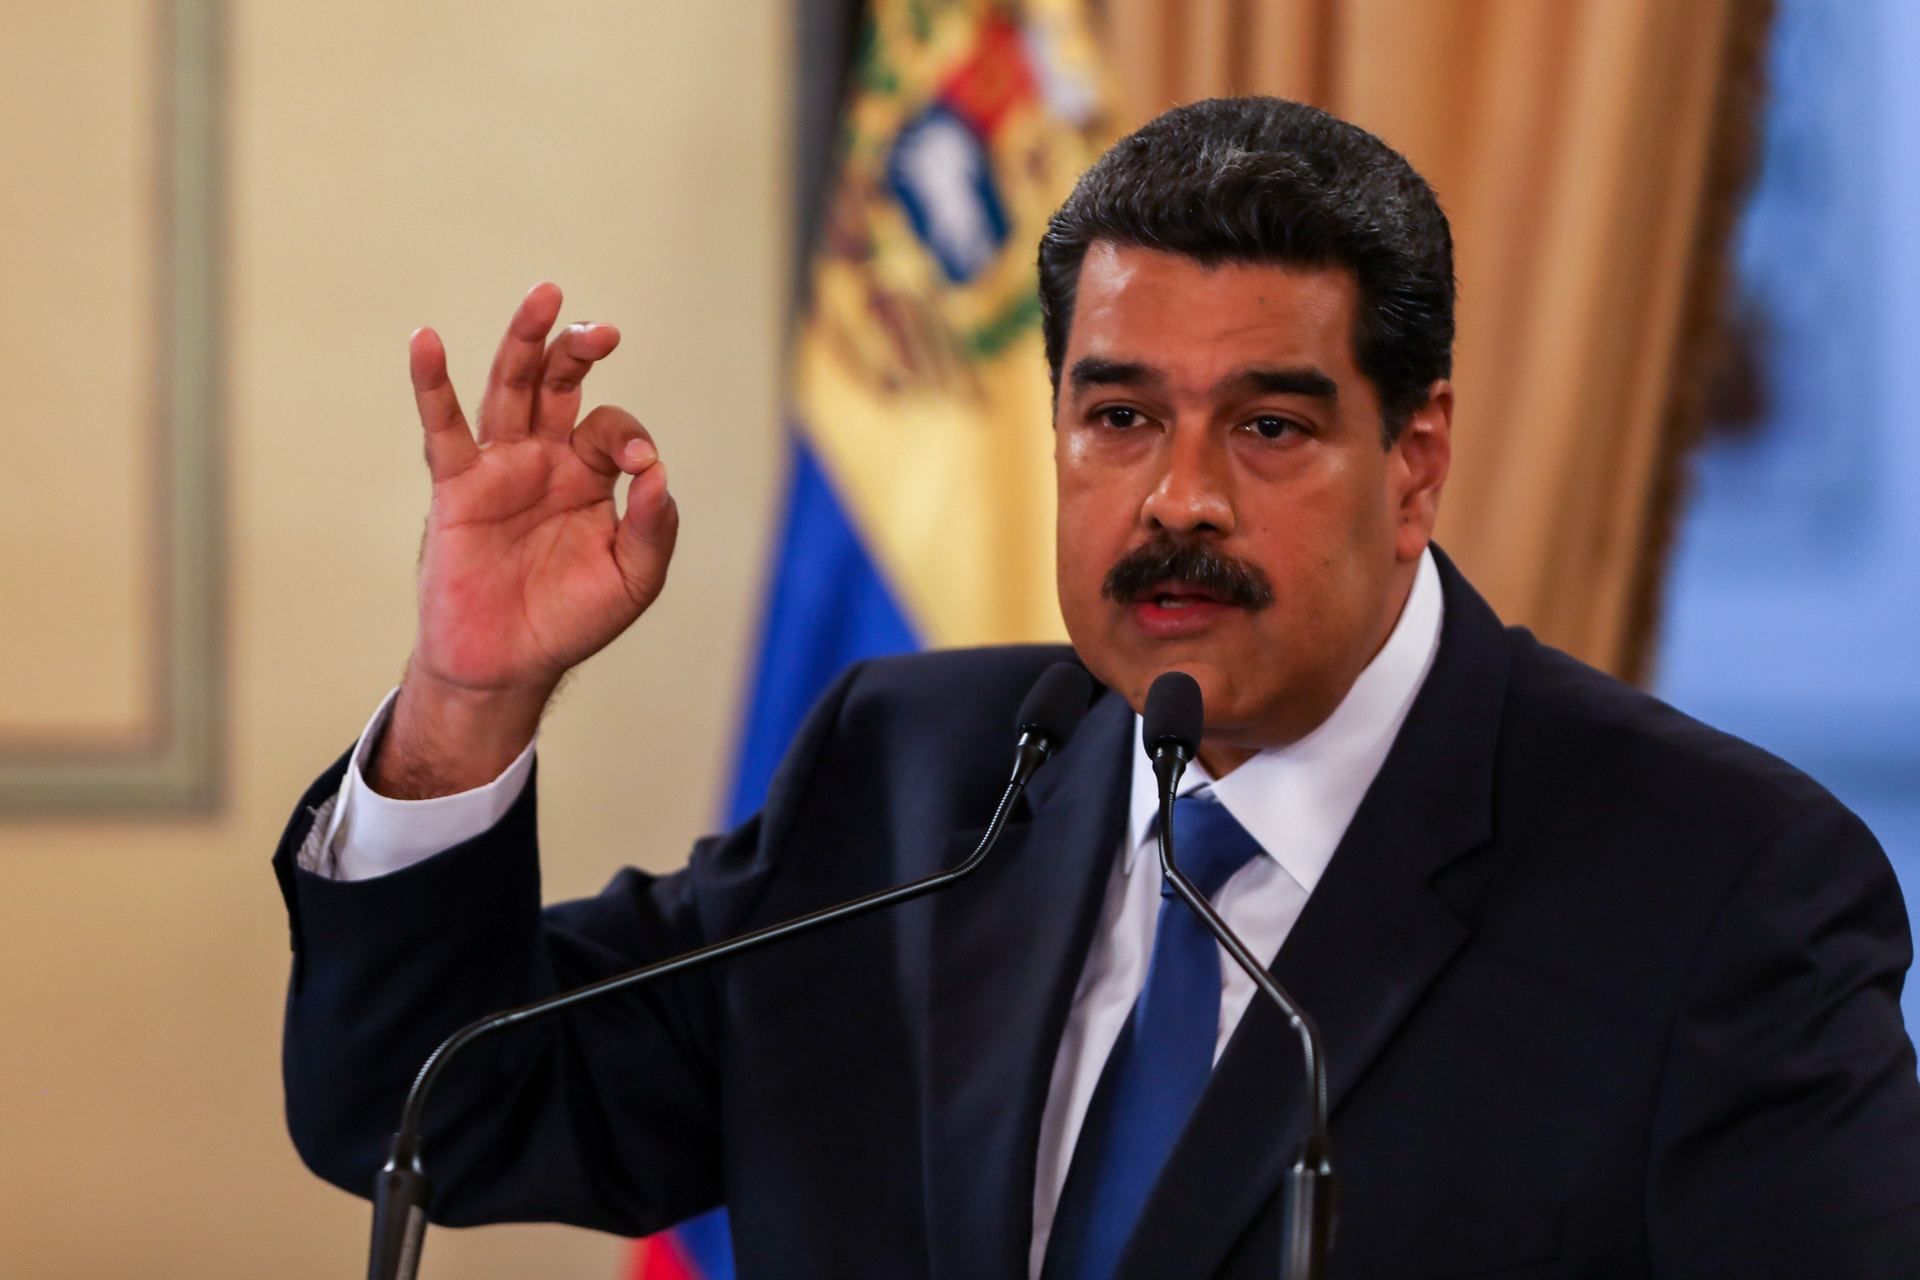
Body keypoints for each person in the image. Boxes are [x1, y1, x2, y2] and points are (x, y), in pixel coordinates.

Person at [274, 98, 1920, 1278]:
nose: (1176, 499)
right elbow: (435, 1113)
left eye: (1268, 427)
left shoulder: (1718, 885)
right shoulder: (909, 776)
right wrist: (464, 700)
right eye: (1119, 417)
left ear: (1412, 463)